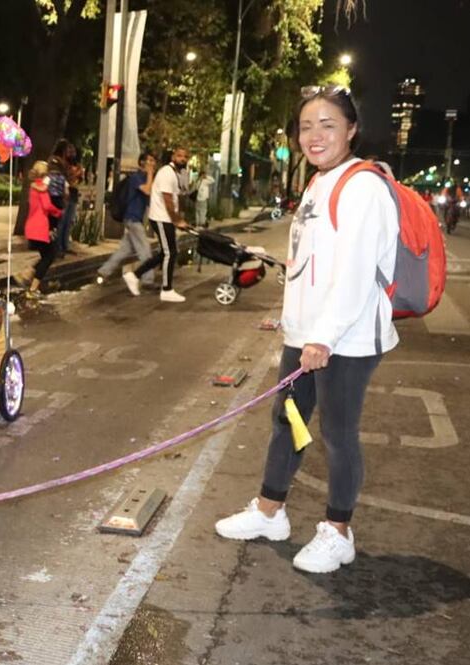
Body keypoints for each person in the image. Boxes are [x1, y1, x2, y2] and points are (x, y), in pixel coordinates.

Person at [214, 85, 399, 574]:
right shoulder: (319, 182)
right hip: (309, 334)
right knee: (288, 421)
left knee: (338, 433)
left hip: (347, 338)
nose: (315, 135)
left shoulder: (362, 186)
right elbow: (310, 264)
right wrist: (295, 324)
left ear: (352, 130)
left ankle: (339, 532)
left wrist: (324, 336)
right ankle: (270, 511)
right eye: (306, 127)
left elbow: (356, 273)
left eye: (328, 125)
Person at [125, 147, 190, 302]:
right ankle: (167, 290)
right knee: (170, 253)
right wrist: (177, 220)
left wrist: (178, 219)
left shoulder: (175, 173)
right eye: (179, 156)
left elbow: (175, 199)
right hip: (161, 218)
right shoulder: (167, 173)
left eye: (185, 157)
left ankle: (134, 275)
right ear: (173, 157)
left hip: (166, 218)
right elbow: (167, 200)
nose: (183, 159)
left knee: (166, 253)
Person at [97, 152, 156, 291]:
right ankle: (147, 280)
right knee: (145, 251)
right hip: (132, 218)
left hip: (136, 218)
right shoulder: (136, 177)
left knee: (124, 250)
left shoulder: (143, 178)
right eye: (150, 160)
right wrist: (150, 174)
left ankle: (104, 272)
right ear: (142, 162)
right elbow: (147, 191)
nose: (153, 163)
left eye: (154, 161)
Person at [16, 161, 62, 296]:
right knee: (50, 255)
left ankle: (30, 277)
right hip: (40, 228)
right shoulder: (42, 188)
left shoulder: (32, 187)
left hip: (31, 226)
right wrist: (58, 212)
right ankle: (32, 286)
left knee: (46, 255)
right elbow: (47, 206)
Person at [47, 140, 77, 256]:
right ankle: (57, 247)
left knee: (68, 222)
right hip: (60, 195)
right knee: (60, 222)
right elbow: (58, 176)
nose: (70, 152)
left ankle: (65, 245)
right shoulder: (55, 160)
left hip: (72, 193)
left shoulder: (69, 162)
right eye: (68, 149)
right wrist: (70, 174)